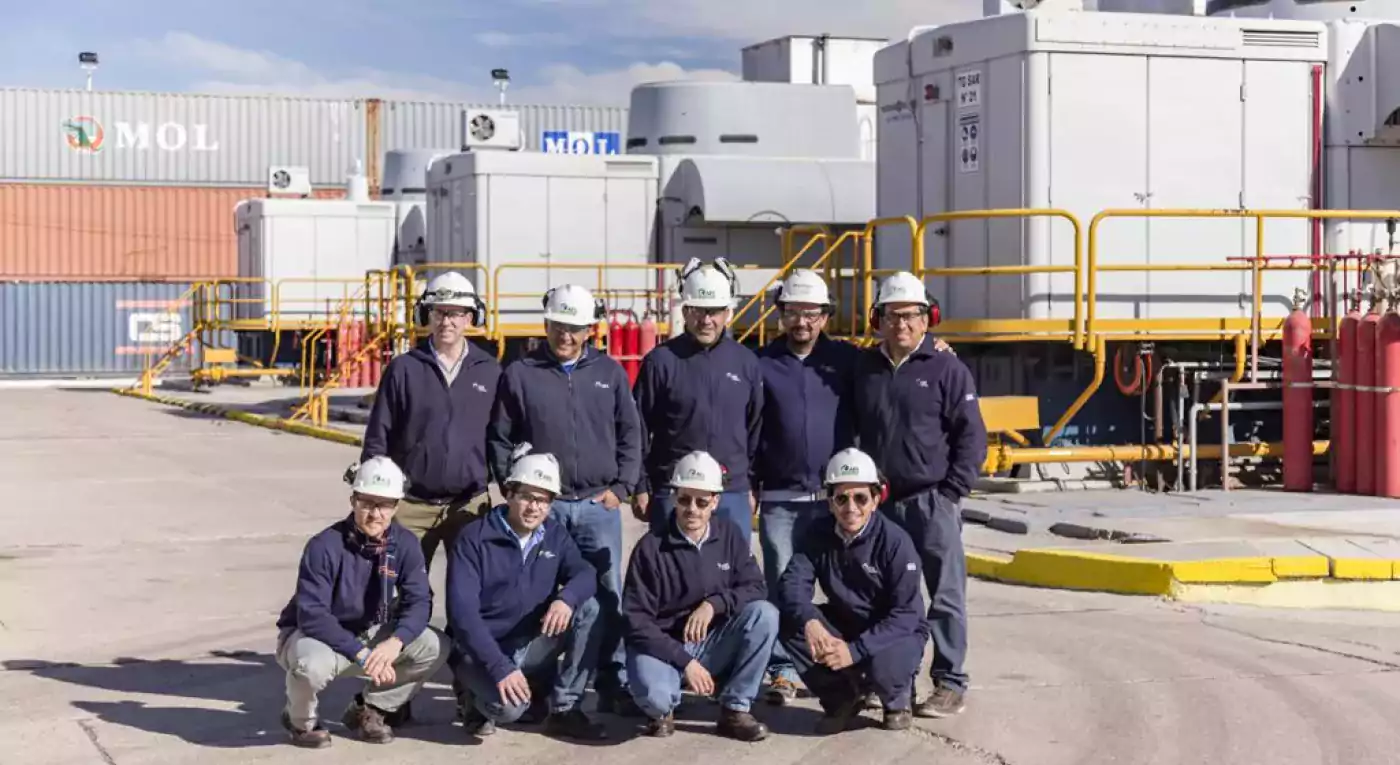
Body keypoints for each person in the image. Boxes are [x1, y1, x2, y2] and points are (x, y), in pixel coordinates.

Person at [487, 283, 642, 717]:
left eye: (575, 328)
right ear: (546, 324)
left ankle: (611, 680)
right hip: (543, 508)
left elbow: (631, 432)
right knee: (536, 593)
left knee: (606, 597)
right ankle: (537, 680)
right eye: (559, 326)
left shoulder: (609, 372)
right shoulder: (520, 374)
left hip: (597, 505)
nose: (566, 336)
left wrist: (622, 488)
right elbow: (500, 435)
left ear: (590, 329)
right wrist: (511, 487)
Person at [852, 271, 988, 719]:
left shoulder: (948, 369)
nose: (902, 325)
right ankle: (889, 680)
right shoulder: (865, 369)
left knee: (945, 595)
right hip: (881, 505)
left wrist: (951, 493)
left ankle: (949, 683)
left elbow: (972, 437)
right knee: (884, 596)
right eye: (893, 316)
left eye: (911, 316)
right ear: (879, 319)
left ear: (928, 319)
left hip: (932, 502)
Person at [273, 456, 448, 748]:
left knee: (434, 646)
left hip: (370, 633)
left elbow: (419, 602)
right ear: (353, 500)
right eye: (367, 503)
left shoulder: (405, 545)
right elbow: (312, 614)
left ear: (396, 506)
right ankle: (299, 722)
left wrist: (396, 642)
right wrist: (362, 654)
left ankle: (368, 709)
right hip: (316, 636)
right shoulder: (324, 546)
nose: (375, 513)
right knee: (309, 667)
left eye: (384, 505)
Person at [445, 446, 607, 740]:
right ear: (509, 493)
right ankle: (473, 699)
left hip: (528, 643)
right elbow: (462, 614)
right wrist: (500, 667)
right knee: (510, 710)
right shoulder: (475, 538)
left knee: (589, 608)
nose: (534, 508)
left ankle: (565, 709)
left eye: (543, 500)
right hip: (480, 651)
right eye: (527, 497)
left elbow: (586, 573)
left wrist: (565, 599)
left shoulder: (554, 534)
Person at [752, 269, 860, 705]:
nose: (802, 322)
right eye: (793, 312)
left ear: (825, 316)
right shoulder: (759, 362)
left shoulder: (847, 361)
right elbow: (750, 427)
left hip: (836, 501)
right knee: (781, 588)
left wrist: (939, 344)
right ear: (780, 314)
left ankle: (847, 663)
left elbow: (893, 362)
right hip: (780, 498)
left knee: (845, 589)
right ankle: (782, 671)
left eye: (811, 313)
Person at [621, 451, 777, 742]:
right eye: (684, 499)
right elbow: (636, 621)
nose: (692, 509)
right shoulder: (650, 548)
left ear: (715, 502)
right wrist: (684, 662)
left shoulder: (730, 536)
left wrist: (713, 604)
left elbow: (756, 587)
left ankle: (735, 709)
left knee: (765, 614)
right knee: (656, 699)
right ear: (674, 497)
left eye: (702, 501)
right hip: (664, 647)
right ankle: (663, 708)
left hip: (711, 642)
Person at [778, 448, 927, 734]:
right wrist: (809, 621)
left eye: (860, 498)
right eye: (841, 498)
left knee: (885, 666)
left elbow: (906, 614)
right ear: (830, 502)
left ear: (875, 500)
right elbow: (792, 584)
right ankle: (842, 698)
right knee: (787, 621)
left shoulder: (896, 542)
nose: (851, 507)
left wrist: (854, 651)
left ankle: (897, 698)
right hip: (847, 622)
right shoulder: (816, 534)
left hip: (896, 630)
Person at [361, 270, 501, 569]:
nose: (446, 321)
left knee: (472, 595)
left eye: (455, 314)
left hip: (469, 505)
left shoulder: (489, 371)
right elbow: (378, 434)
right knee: (398, 591)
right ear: (427, 315)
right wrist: (374, 492)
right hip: (411, 505)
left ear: (469, 318)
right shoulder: (404, 369)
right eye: (439, 312)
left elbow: (501, 435)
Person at [633, 258, 763, 544]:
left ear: (728, 312)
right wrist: (641, 485)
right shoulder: (661, 362)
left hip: (731, 492)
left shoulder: (746, 363)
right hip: (675, 490)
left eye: (715, 311)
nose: (706, 320)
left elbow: (756, 430)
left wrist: (752, 486)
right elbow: (637, 428)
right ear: (686, 310)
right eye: (698, 311)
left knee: (733, 577)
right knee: (669, 575)